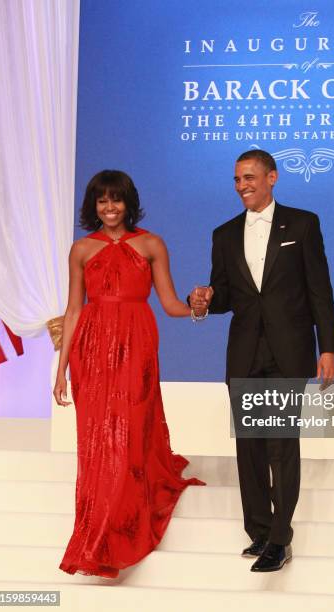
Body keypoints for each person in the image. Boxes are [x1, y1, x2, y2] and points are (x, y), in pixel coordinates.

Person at [190, 149, 334, 572]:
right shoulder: (224, 233)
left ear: (272, 177)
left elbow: (319, 290)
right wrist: (202, 303)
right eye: (237, 179)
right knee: (250, 448)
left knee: (280, 445)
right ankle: (258, 531)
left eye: (250, 177)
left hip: (288, 350)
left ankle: (280, 538)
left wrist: (327, 347)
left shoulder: (304, 224)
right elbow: (225, 295)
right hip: (245, 351)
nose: (242, 186)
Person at [54, 169, 204, 578]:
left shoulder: (152, 244)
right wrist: (61, 369)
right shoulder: (81, 249)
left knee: (130, 433)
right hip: (92, 351)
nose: (109, 208)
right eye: (101, 201)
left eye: (116, 200)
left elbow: (171, 303)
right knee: (98, 441)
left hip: (136, 345)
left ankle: (120, 528)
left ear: (129, 202)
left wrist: (198, 305)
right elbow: (73, 310)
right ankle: (98, 532)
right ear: (93, 206)